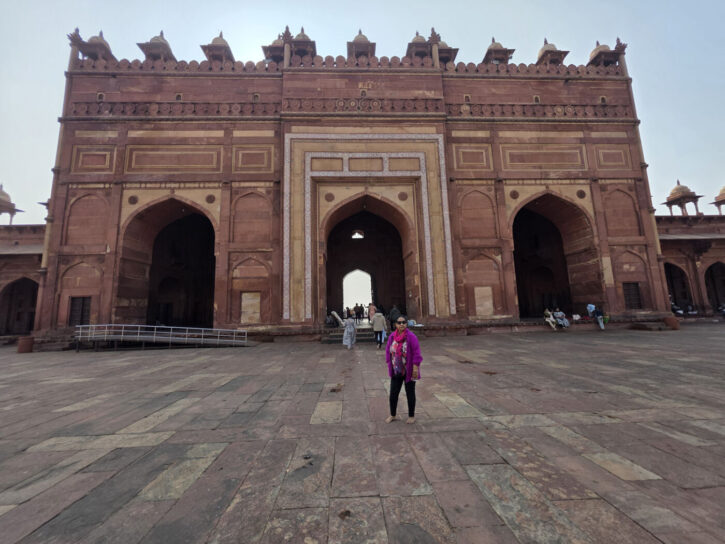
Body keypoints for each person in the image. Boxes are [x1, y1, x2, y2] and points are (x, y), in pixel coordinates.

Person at [385, 315, 422, 424]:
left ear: (406, 324)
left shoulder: (411, 337)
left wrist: (415, 367)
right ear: (395, 324)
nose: (401, 324)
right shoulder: (392, 337)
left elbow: (417, 353)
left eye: (404, 322)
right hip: (396, 370)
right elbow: (388, 350)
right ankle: (392, 414)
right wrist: (389, 363)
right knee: (393, 393)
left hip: (409, 370)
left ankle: (411, 416)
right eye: (399, 322)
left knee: (410, 393)